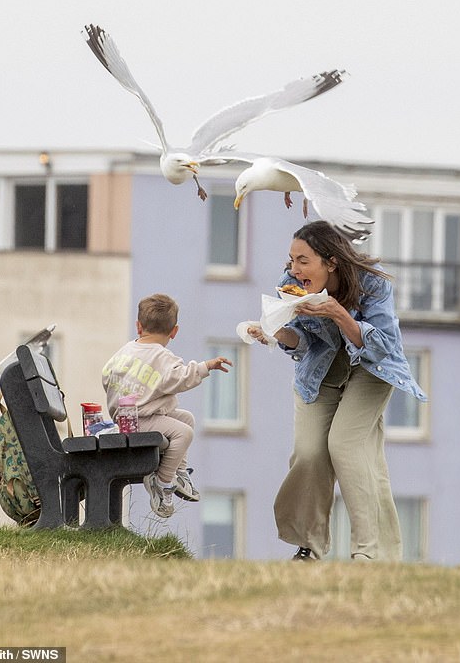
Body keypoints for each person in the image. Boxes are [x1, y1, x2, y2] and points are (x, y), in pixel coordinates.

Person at [248, 221, 426, 562]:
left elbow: (384, 346)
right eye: (291, 260)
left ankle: (369, 553)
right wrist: (276, 334)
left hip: (372, 370)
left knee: (345, 445)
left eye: (303, 260)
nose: (294, 270)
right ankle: (309, 546)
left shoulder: (372, 283)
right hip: (321, 372)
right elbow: (304, 341)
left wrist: (339, 314)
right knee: (310, 452)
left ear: (330, 262)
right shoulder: (292, 286)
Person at [102, 293, 233, 518]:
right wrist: (206, 366)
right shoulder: (163, 357)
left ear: (138, 326)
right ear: (174, 331)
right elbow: (182, 377)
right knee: (185, 432)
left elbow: (106, 377)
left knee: (186, 418)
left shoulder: (123, 352)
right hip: (140, 420)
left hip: (124, 417)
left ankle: (179, 472)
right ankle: (161, 483)